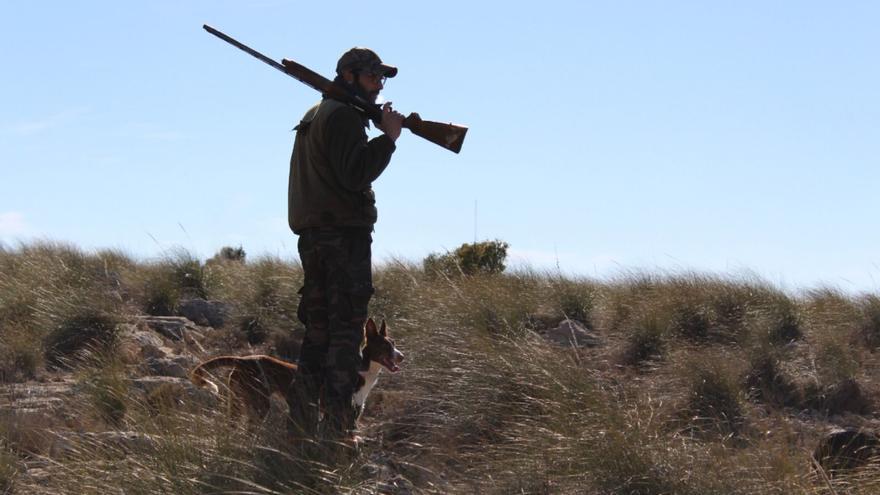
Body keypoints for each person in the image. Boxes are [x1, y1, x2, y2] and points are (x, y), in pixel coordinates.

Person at [286, 47, 405, 447]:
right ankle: (337, 435)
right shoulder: (342, 117)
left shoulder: (317, 113)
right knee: (343, 337)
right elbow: (356, 174)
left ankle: (300, 432)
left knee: (317, 336)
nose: (379, 86)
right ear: (350, 76)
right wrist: (387, 139)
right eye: (373, 77)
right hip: (343, 241)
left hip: (316, 240)